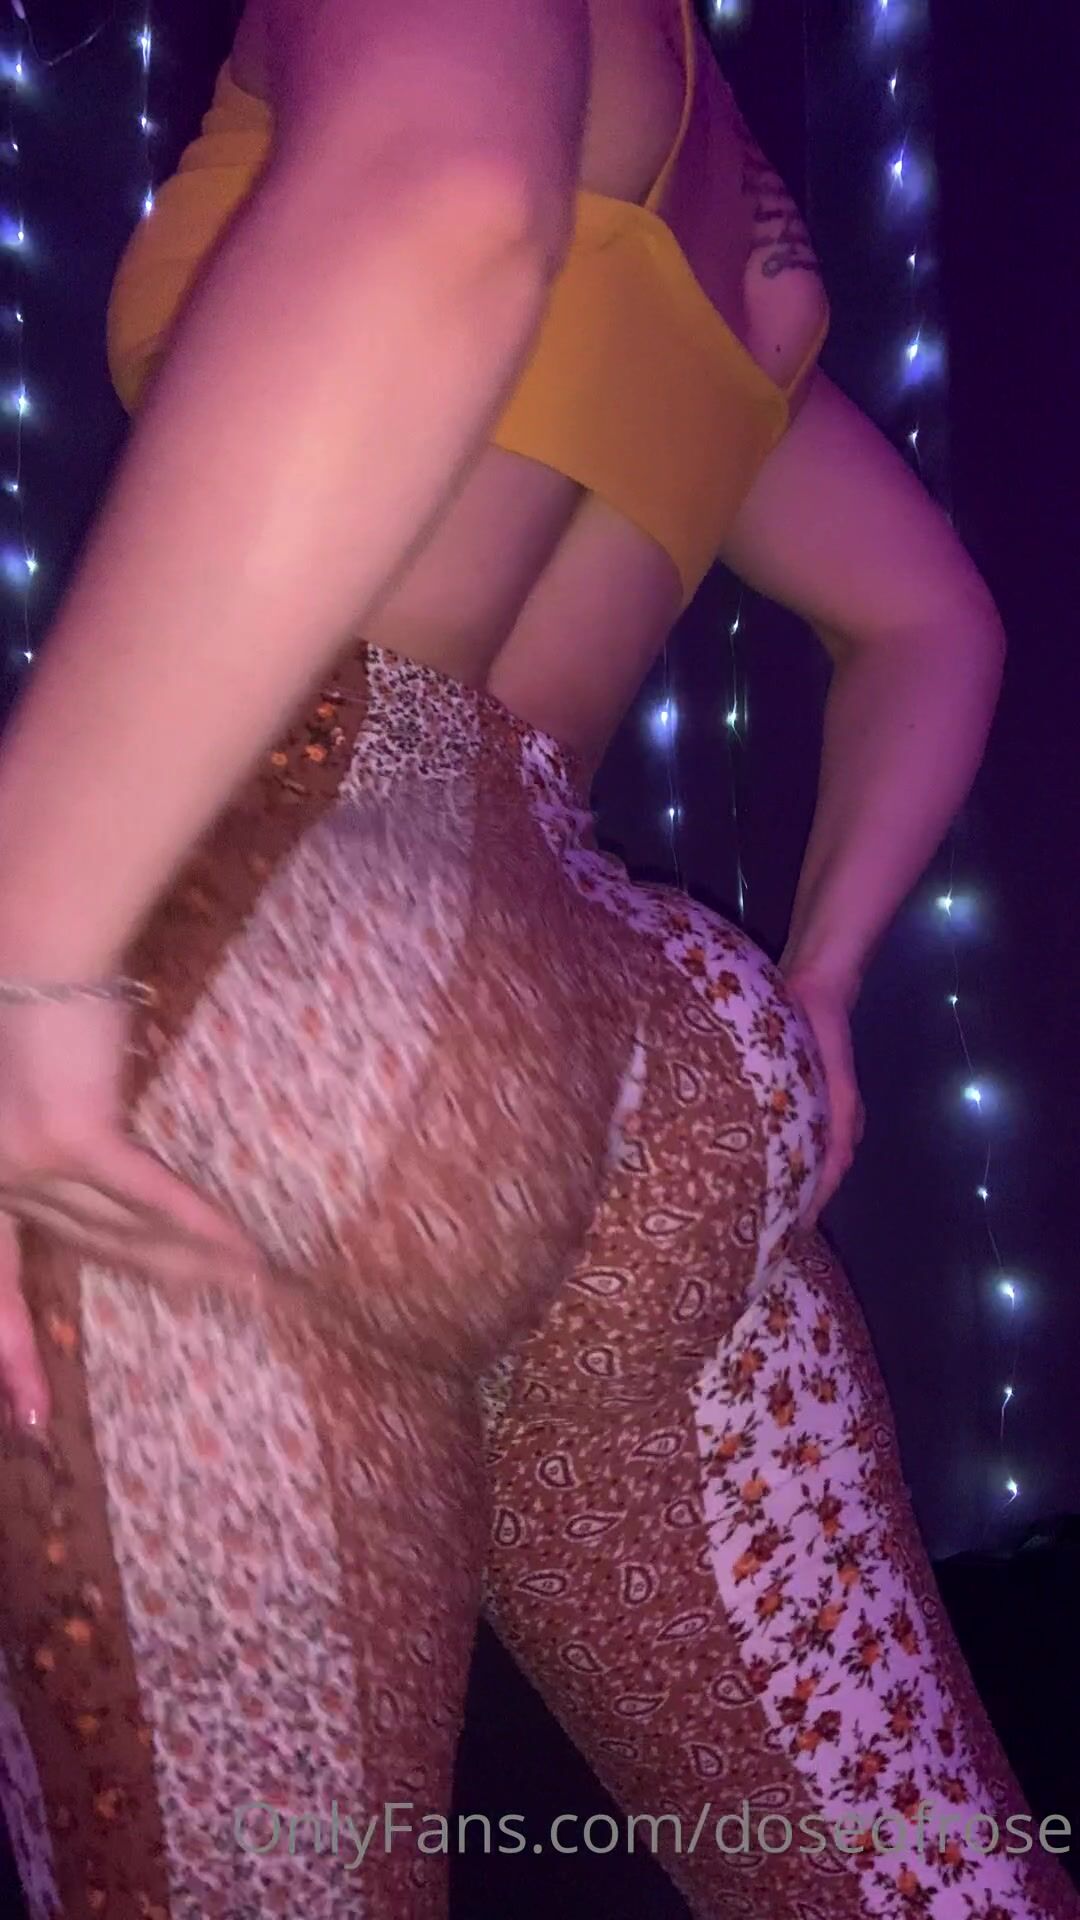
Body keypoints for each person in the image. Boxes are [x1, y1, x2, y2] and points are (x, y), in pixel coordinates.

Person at [0, 0, 1073, 1915]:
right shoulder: (723, 182)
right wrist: (821, 984)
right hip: (650, 1039)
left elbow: (446, 205)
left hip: (286, 971)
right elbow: (935, 623)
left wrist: (25, 950)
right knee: (906, 1875)